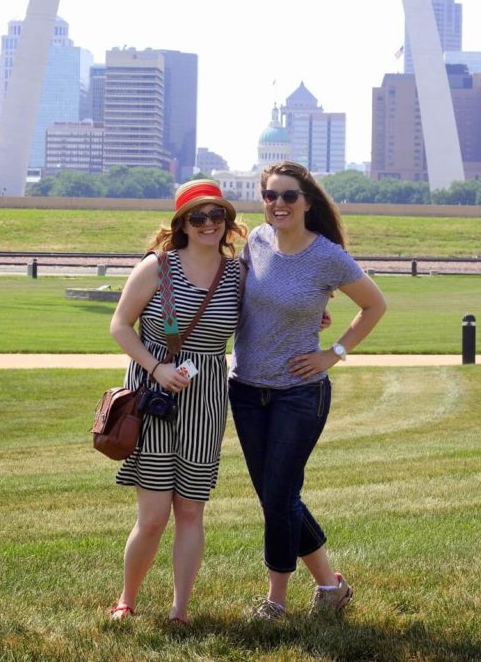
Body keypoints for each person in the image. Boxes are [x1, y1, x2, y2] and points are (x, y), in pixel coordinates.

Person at [228, 161, 387, 620]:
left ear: (307, 202)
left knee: (279, 496)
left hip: (299, 393)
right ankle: (331, 587)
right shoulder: (255, 241)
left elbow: (375, 305)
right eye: (271, 196)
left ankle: (275, 601)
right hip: (246, 390)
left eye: (289, 196)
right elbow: (247, 298)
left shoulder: (328, 256)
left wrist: (333, 351)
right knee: (278, 496)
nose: (279, 204)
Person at [108, 179, 247, 624]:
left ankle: (179, 611)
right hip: (154, 395)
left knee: (190, 510)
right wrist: (156, 367)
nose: (208, 224)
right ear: (182, 223)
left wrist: (313, 316)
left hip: (206, 399)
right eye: (198, 216)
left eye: (216, 215)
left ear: (226, 221)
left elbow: (265, 316)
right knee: (152, 516)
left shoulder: (237, 274)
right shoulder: (156, 267)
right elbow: (121, 326)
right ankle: (126, 601)